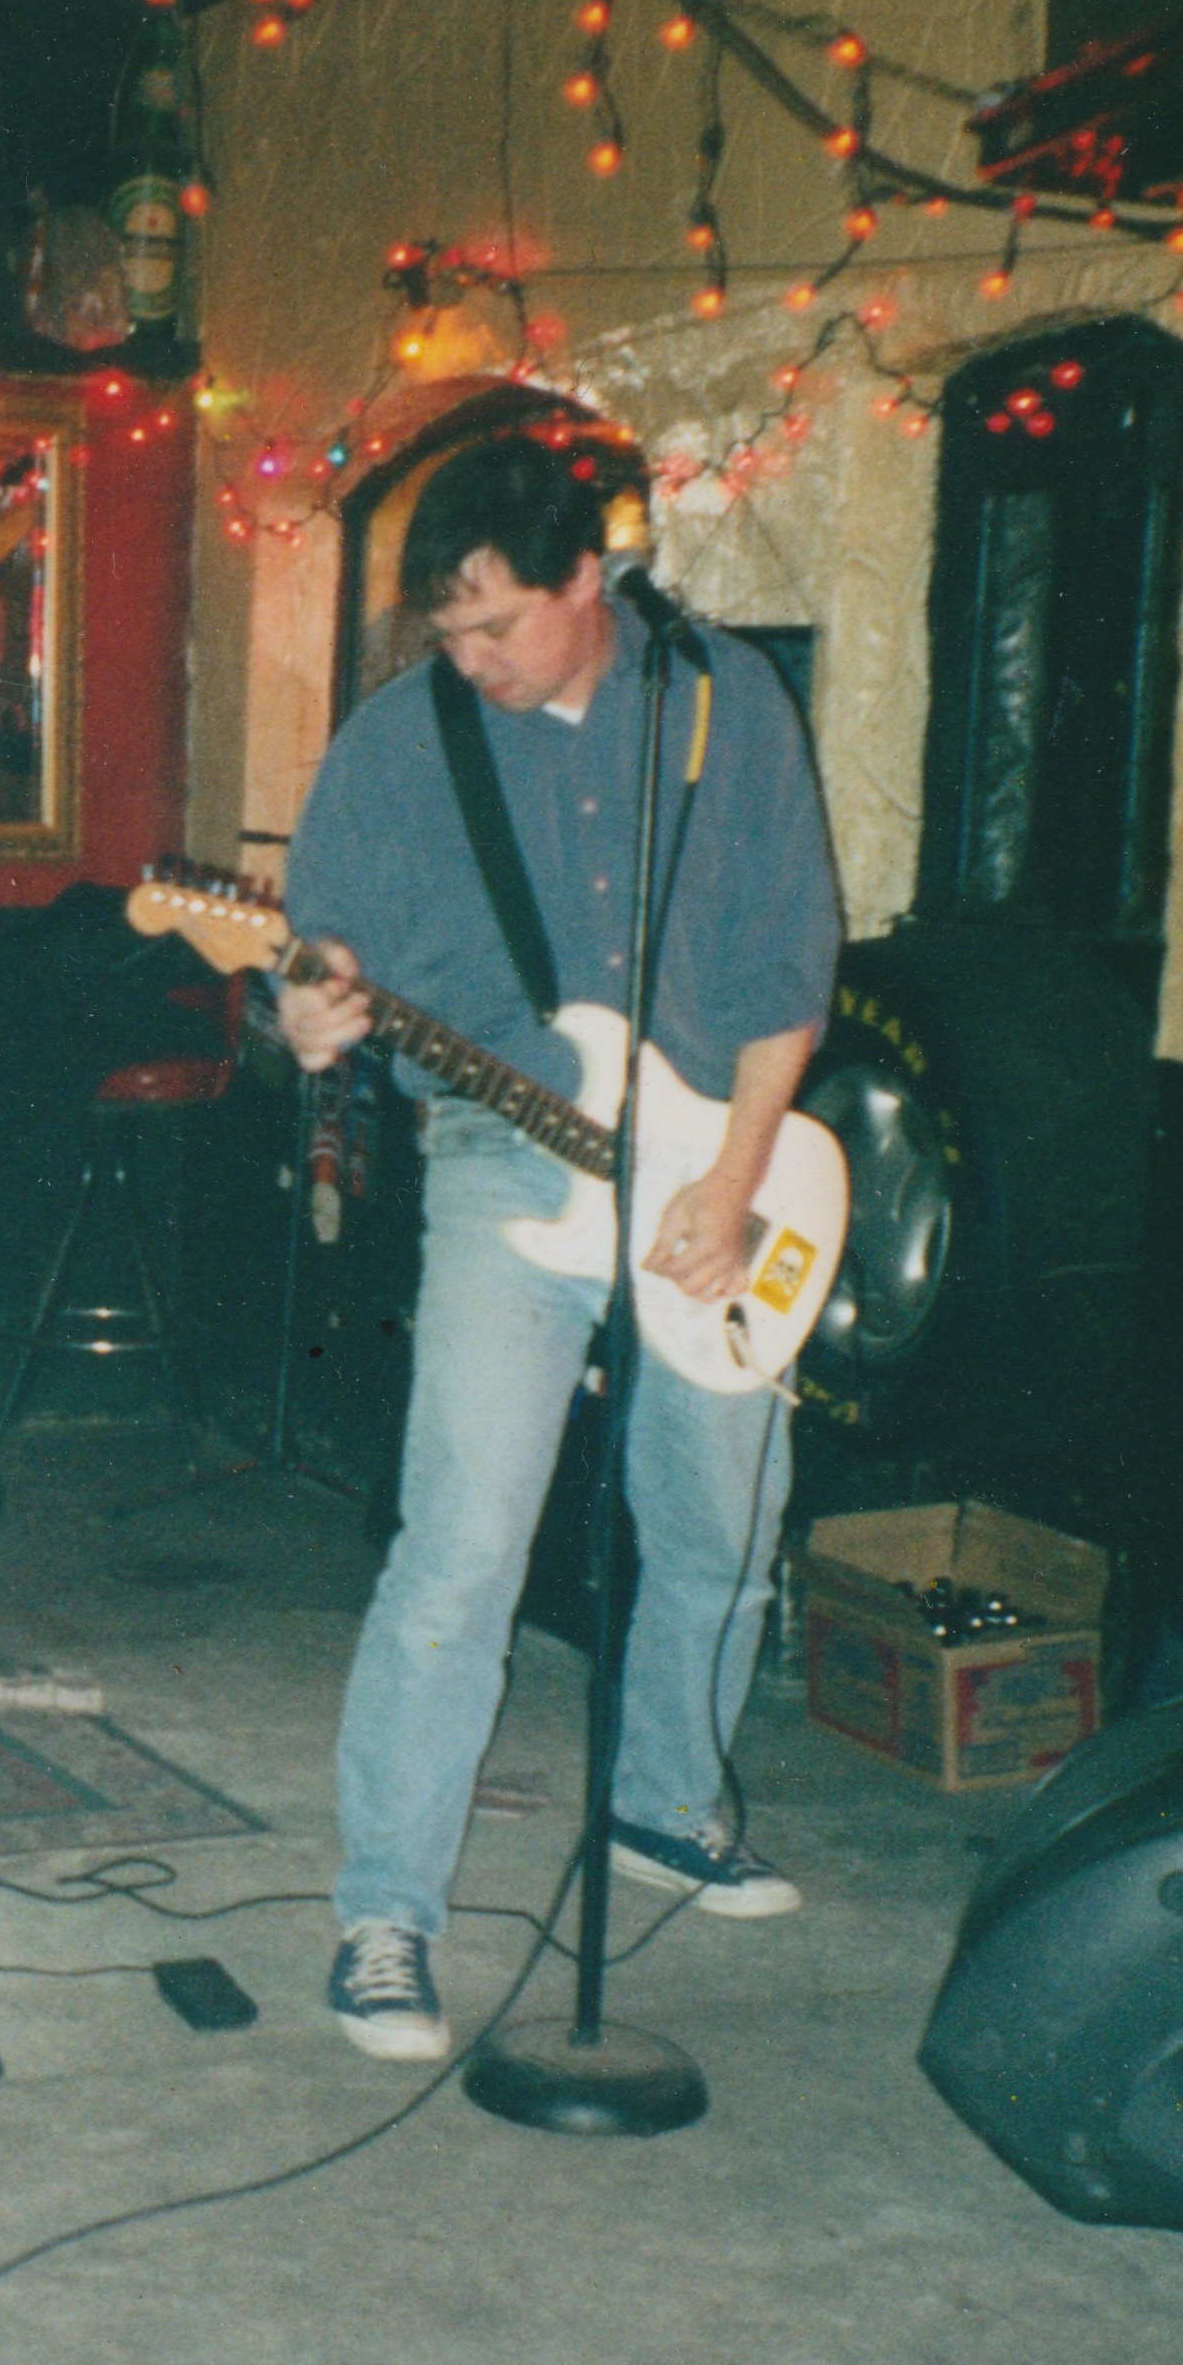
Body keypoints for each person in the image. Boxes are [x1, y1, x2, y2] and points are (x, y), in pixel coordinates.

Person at [278, 407, 840, 2061]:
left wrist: (731, 1191)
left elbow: (785, 964)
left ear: (586, 575)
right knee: (458, 1545)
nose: (472, 662)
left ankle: (668, 1804)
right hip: (500, 1158)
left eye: (496, 624)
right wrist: (306, 1007)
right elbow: (320, 941)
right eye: (443, 633)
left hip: (718, 1173)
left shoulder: (723, 709)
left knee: (724, 1527)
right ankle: (384, 1913)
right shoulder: (400, 742)